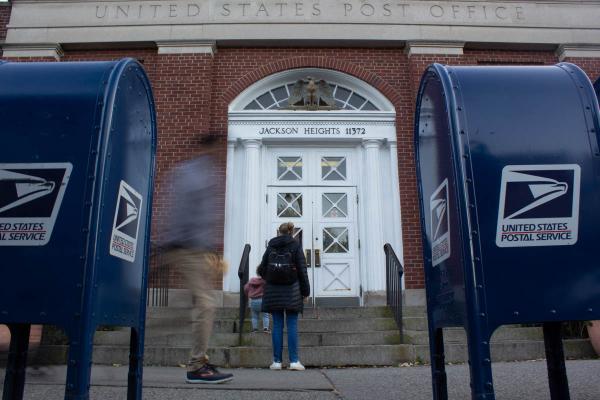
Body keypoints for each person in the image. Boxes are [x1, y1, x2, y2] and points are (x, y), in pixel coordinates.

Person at [162, 134, 233, 384]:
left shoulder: (210, 174)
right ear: (209, 147)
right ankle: (196, 366)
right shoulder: (191, 174)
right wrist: (173, 244)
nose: (223, 151)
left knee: (200, 304)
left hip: (199, 250)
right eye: (220, 146)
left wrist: (211, 253)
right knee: (207, 304)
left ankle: (196, 360)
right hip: (186, 247)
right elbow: (180, 212)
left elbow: (206, 218)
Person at [258, 222, 310, 371]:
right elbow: (302, 270)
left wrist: (271, 277)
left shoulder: (271, 246)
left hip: (273, 291)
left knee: (277, 325)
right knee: (292, 325)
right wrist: (306, 292)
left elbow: (262, 268)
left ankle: (276, 362)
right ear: (291, 231)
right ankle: (294, 361)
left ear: (278, 232)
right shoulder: (295, 246)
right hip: (292, 290)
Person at [244, 268, 270, 333]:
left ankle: (255, 329)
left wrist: (248, 294)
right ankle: (265, 328)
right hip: (262, 300)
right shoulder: (264, 281)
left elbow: (246, 288)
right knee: (265, 315)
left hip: (253, 301)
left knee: (254, 316)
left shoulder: (251, 281)